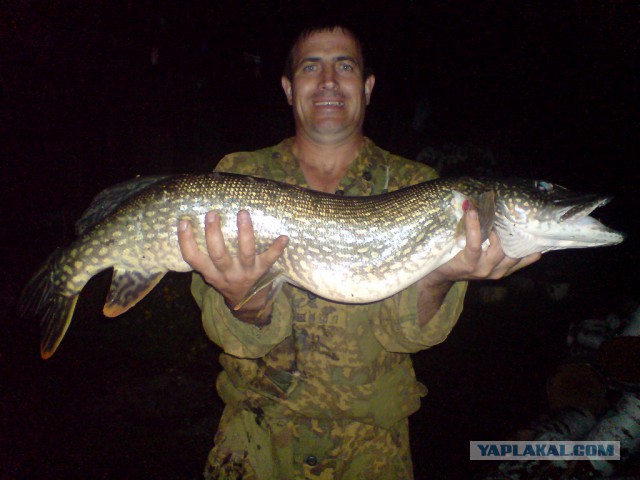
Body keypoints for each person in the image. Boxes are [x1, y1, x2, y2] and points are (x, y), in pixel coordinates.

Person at [177, 25, 540, 480]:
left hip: (373, 449)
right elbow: (230, 336)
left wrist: (440, 276)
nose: (328, 80)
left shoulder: (419, 186)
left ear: (367, 88)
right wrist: (242, 300)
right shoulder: (237, 174)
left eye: (344, 66)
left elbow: (408, 337)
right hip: (256, 440)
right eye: (312, 67)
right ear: (289, 90)